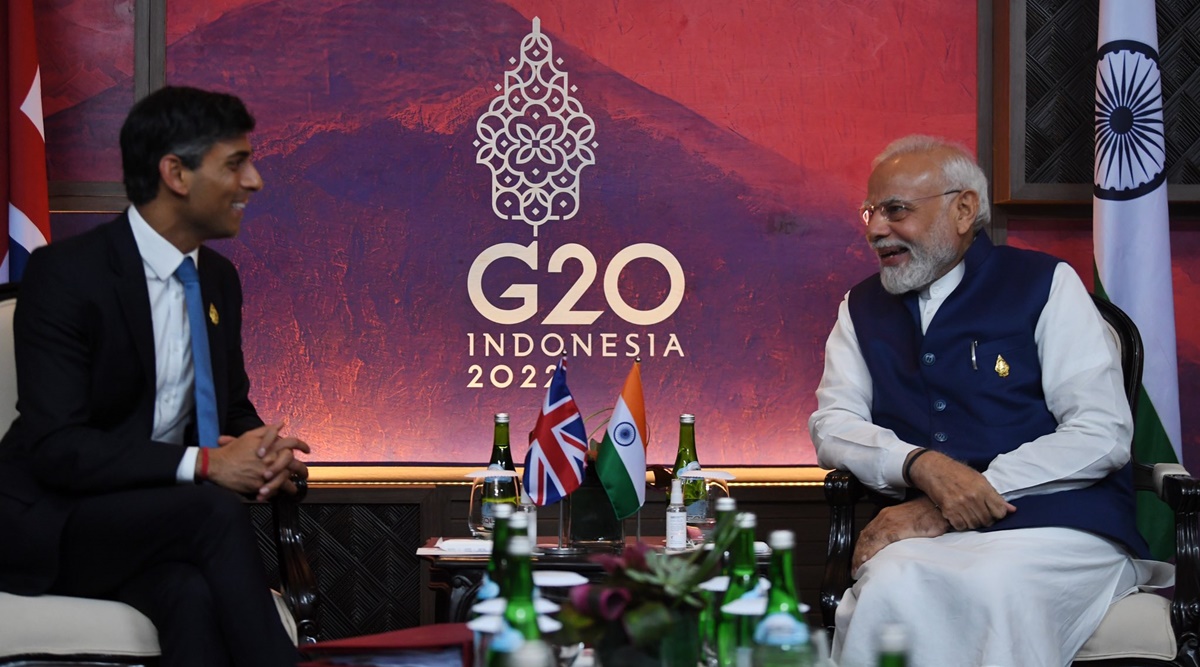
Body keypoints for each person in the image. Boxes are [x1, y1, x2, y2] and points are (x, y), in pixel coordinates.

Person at [809, 135, 1172, 666]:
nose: (874, 230)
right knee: (887, 584)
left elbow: (1102, 433)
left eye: (895, 210)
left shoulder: (1046, 284)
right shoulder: (860, 307)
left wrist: (964, 495)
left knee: (993, 584)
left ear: (963, 209)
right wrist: (919, 465)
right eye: (870, 211)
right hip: (926, 536)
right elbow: (833, 422)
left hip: (1058, 525)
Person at [0, 86, 309, 666]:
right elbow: (55, 448)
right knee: (211, 509)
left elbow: (228, 407)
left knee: (188, 597)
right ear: (176, 174)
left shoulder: (217, 280)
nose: (255, 182)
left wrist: (263, 451)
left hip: (157, 525)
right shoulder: (67, 276)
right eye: (236, 164)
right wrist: (209, 465)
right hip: (55, 524)